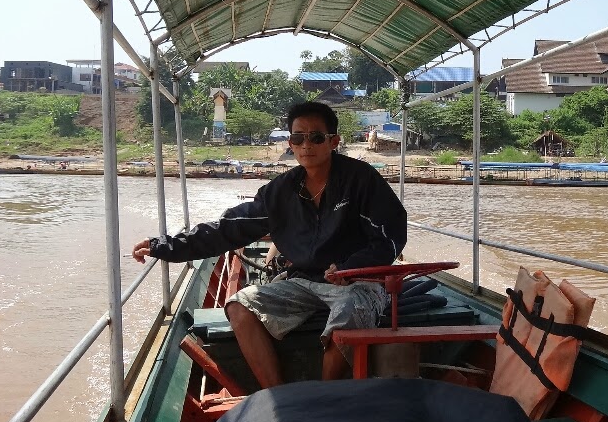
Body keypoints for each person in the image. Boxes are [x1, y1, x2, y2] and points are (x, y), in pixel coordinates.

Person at [132, 101, 407, 388]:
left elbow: (391, 236)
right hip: (303, 281)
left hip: (357, 281)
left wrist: (351, 267)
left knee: (349, 310)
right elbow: (229, 228)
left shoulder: (361, 181)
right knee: (239, 306)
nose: (306, 145)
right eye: (298, 138)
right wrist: (164, 246)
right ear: (290, 143)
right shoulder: (281, 191)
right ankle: (276, 394)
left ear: (333, 141)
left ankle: (325, 395)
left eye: (316, 137)